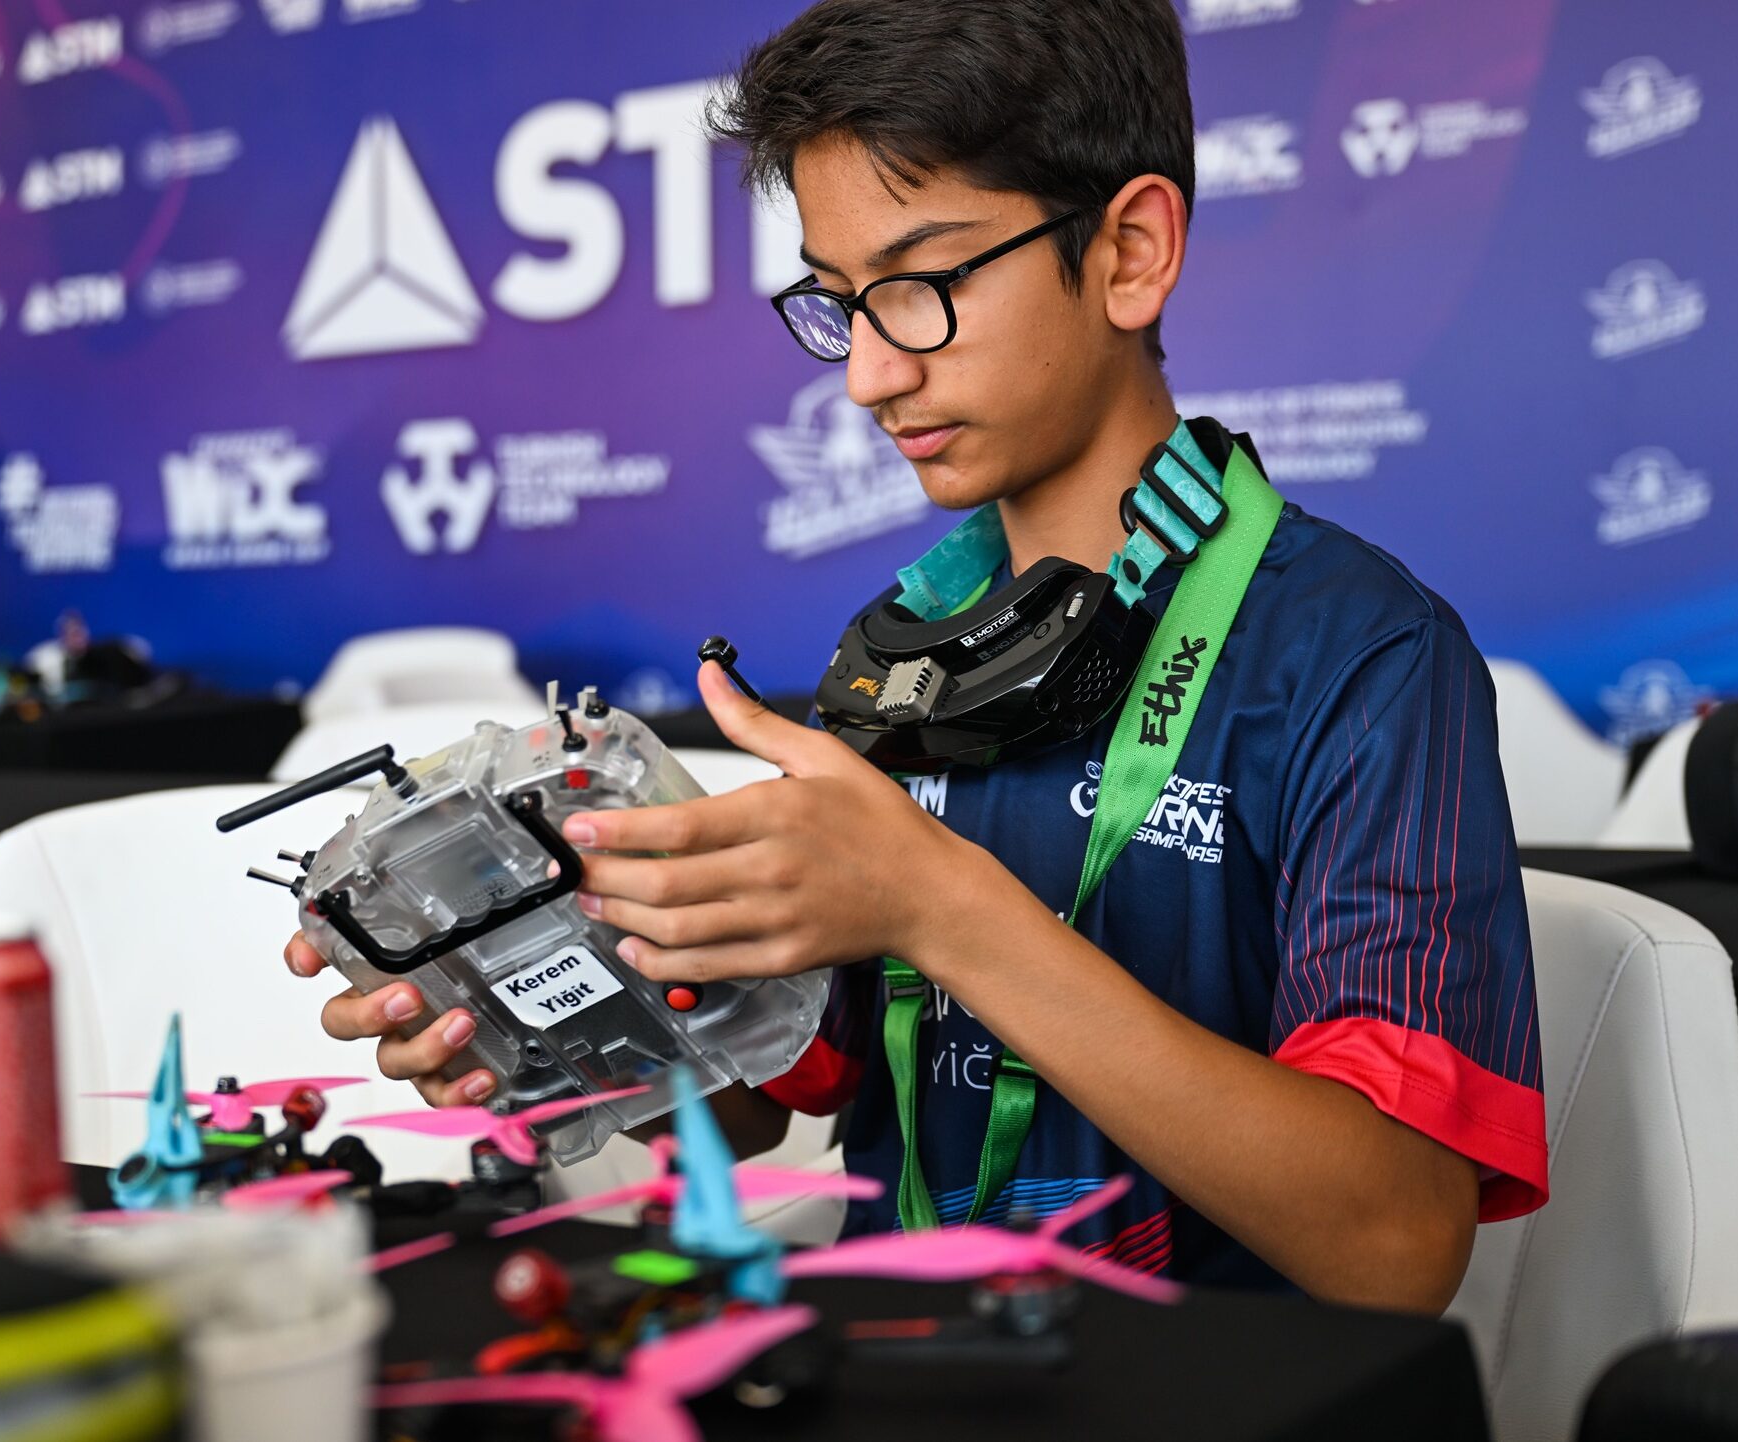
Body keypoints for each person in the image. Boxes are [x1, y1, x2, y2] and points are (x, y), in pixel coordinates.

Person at [286, 0, 1546, 1314]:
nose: (869, 377)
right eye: (841, 306)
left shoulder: (1365, 657)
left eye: (922, 288)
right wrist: (551, 1011)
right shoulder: (900, 664)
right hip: (906, 1370)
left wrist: (941, 907)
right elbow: (759, 1107)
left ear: (1130, 250)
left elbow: (1397, 1243)